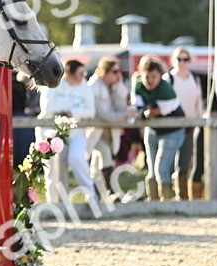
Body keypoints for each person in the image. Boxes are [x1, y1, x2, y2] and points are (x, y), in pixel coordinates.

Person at [38, 60, 97, 207]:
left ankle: (91, 197)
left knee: (77, 159)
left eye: (84, 73)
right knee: (52, 168)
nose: (83, 76)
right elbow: (48, 106)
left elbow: (91, 111)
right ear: (69, 73)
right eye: (79, 73)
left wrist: (74, 112)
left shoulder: (85, 87)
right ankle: (53, 203)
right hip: (50, 132)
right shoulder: (53, 83)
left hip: (75, 131)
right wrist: (69, 109)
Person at [132, 55, 185, 202]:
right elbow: (137, 108)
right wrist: (142, 112)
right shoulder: (138, 86)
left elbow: (159, 111)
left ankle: (166, 202)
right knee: (152, 171)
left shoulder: (166, 90)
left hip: (171, 131)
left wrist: (147, 112)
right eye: (146, 76)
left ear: (160, 76)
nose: (149, 81)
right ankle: (153, 202)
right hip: (153, 130)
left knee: (161, 169)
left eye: (153, 77)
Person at [85, 56, 130, 200]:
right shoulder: (94, 86)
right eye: (115, 71)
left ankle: (93, 194)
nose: (118, 75)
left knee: (98, 163)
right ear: (104, 72)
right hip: (94, 131)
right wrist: (124, 115)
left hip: (109, 132)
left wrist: (119, 88)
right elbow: (101, 114)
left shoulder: (113, 87)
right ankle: (111, 191)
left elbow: (120, 106)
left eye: (119, 71)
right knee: (104, 153)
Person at [165, 46, 204, 201]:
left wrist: (200, 120)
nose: (182, 62)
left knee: (184, 161)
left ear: (190, 61)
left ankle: (182, 195)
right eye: (179, 59)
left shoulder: (195, 79)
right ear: (173, 61)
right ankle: (166, 195)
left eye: (185, 59)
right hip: (171, 126)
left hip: (189, 125)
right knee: (169, 161)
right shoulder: (169, 79)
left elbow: (198, 102)